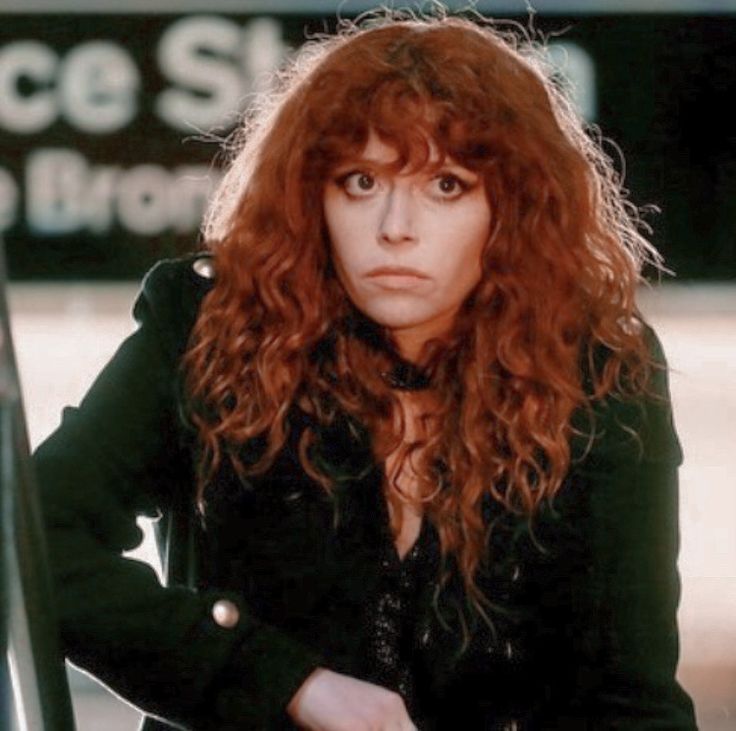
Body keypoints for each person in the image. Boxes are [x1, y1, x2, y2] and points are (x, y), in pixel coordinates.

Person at [32, 9, 698, 731]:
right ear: (311, 197)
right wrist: (287, 681)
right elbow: (38, 542)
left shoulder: (599, 370)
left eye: (446, 185)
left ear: (509, 209)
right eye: (359, 181)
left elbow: (630, 693)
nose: (395, 227)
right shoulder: (209, 327)